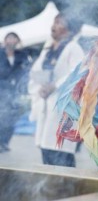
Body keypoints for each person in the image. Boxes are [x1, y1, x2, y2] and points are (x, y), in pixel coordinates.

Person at [28, 11, 85, 166]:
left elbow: (78, 73)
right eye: (55, 21)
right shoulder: (48, 48)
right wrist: (40, 87)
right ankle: (51, 188)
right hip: (47, 104)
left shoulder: (74, 48)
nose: (54, 25)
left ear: (70, 30)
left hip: (62, 109)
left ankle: (67, 189)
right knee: (46, 150)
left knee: (60, 154)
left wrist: (55, 85)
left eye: (59, 22)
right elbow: (36, 72)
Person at [0, 32, 31, 152]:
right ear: (5, 40)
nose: (11, 41)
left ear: (17, 41)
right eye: (9, 38)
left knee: (12, 117)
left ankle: (4, 141)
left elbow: (26, 71)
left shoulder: (22, 55)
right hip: (1, 90)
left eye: (14, 38)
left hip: (15, 92)